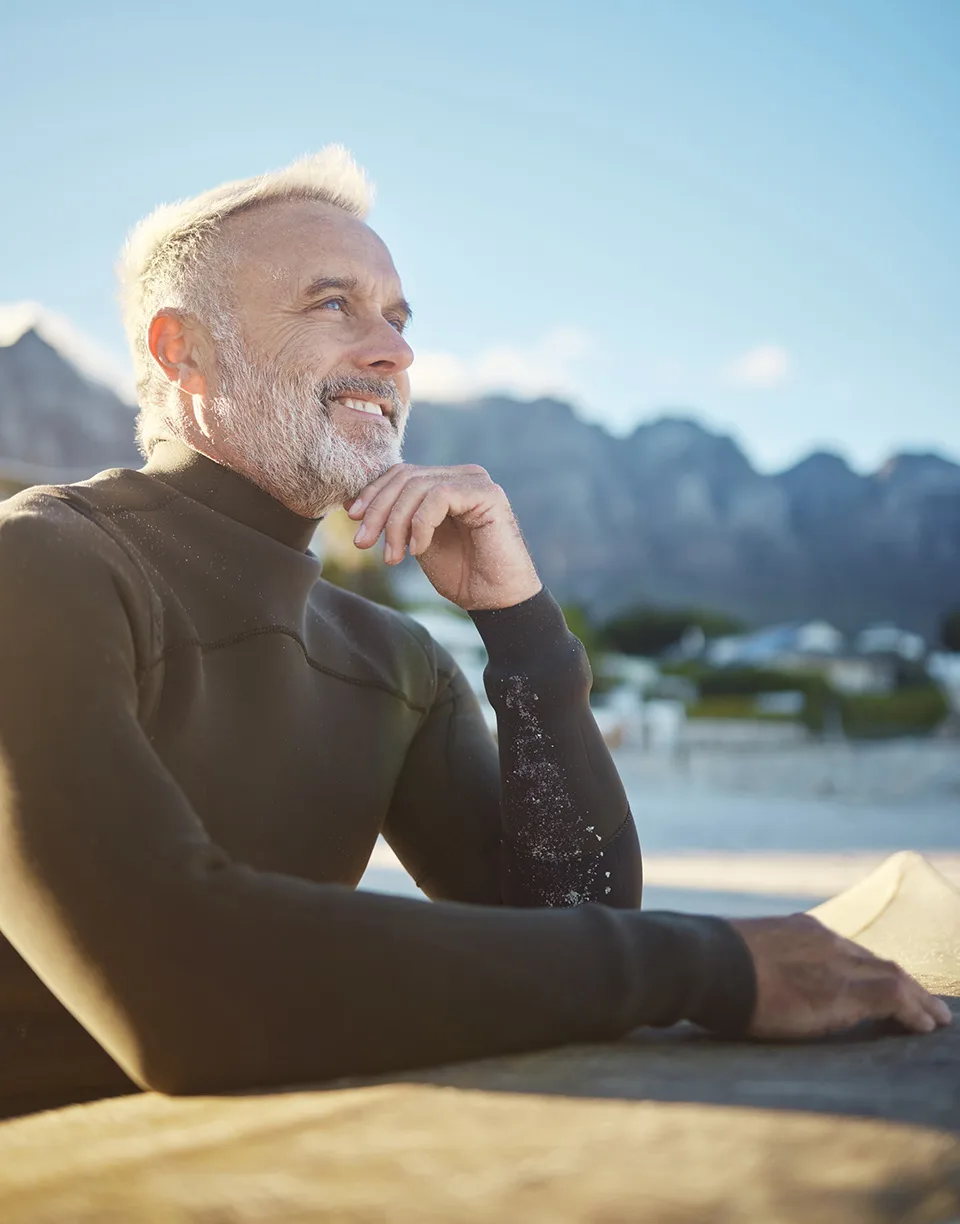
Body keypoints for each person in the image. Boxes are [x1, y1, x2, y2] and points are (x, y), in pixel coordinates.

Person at [0, 149, 949, 1117]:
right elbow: (173, 983)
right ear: (180, 351)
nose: (396, 353)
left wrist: (522, 627)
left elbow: (569, 920)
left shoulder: (391, 658)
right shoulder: (39, 565)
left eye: (399, 319)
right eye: (333, 305)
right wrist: (707, 960)